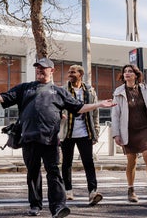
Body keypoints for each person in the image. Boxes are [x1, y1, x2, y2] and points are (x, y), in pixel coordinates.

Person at [0, 57, 115, 218]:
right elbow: (5, 97)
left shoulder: (59, 91)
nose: (39, 70)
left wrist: (99, 104)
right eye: (37, 68)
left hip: (50, 140)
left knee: (54, 173)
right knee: (33, 173)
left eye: (43, 68)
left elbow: (79, 108)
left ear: (52, 70)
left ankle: (58, 207)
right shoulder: (26, 88)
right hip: (29, 139)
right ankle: (35, 205)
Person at [111, 64, 147, 204]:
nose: (127, 73)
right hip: (127, 131)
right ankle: (131, 190)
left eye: (130, 71)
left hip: (144, 129)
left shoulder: (145, 90)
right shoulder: (118, 92)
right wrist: (116, 134)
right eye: (125, 72)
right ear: (123, 76)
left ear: (136, 75)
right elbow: (115, 115)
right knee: (132, 161)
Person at [59, 65, 103, 206]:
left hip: (85, 132)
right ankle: (68, 190)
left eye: (73, 72)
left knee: (88, 163)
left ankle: (93, 192)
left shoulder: (89, 91)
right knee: (66, 163)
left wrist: (95, 131)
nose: (70, 74)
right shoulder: (62, 90)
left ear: (80, 74)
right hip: (67, 132)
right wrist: (60, 115)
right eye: (69, 72)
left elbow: (95, 112)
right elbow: (56, 107)